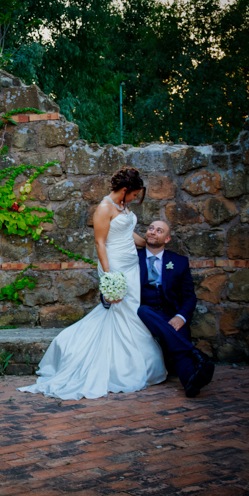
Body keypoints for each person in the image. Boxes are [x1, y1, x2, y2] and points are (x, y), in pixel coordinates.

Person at [18, 167, 167, 400]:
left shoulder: (123, 207)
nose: (135, 199)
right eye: (135, 194)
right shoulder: (104, 208)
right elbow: (100, 243)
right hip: (115, 266)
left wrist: (149, 246)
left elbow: (129, 234)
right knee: (121, 312)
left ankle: (131, 362)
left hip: (131, 265)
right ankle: (117, 367)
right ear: (125, 190)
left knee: (130, 312)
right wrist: (108, 277)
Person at [135, 220, 214, 397]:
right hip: (145, 315)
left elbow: (189, 296)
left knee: (178, 344)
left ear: (167, 238)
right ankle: (195, 354)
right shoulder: (132, 257)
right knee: (143, 311)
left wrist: (181, 316)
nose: (153, 232)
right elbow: (117, 279)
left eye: (159, 230)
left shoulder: (179, 262)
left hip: (171, 315)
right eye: (151, 229)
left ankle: (191, 384)